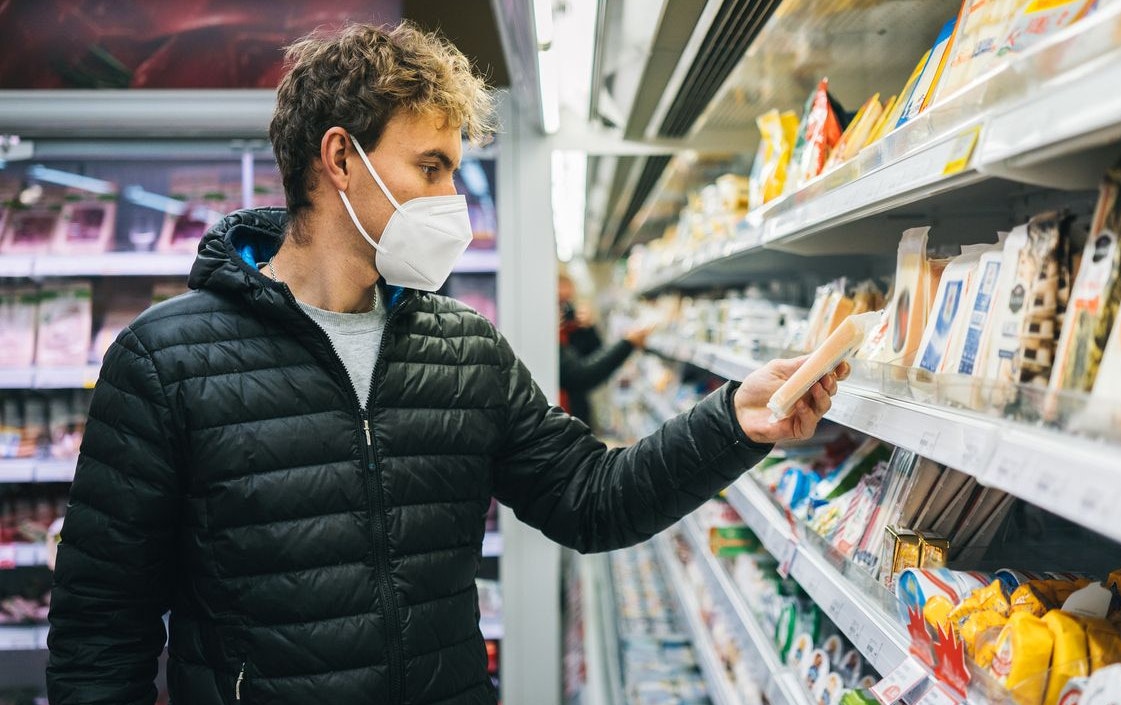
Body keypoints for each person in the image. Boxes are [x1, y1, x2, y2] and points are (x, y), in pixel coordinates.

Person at [45, 21, 849, 705]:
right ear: (340, 158)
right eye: (431, 166)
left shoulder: (464, 347)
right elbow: (100, 627)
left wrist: (734, 421)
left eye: (454, 170)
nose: (451, 196)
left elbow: (591, 499)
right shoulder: (164, 360)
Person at [557, 272, 651, 425]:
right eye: (559, 302)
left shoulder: (574, 330)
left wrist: (589, 328)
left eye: (567, 302)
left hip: (576, 411)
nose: (564, 310)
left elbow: (596, 356)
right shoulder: (548, 338)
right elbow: (581, 375)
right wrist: (627, 343)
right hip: (561, 415)